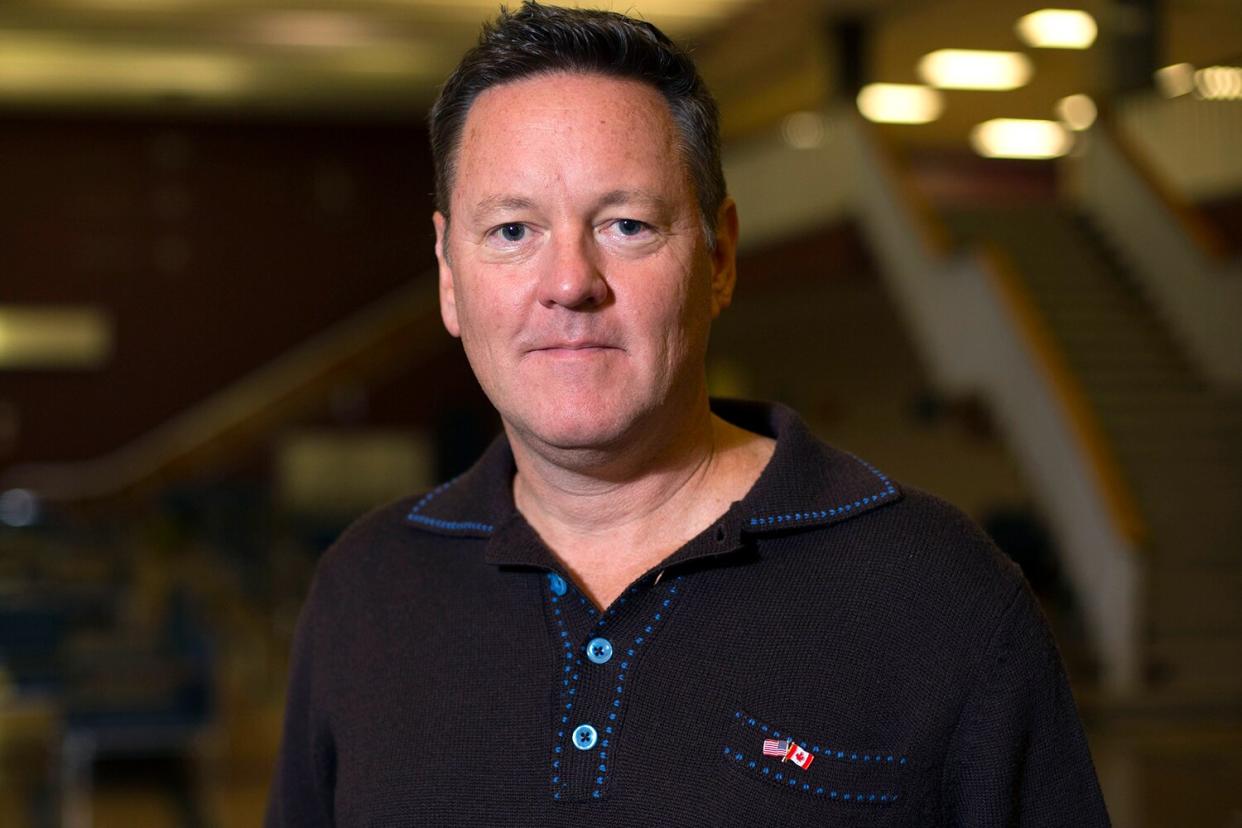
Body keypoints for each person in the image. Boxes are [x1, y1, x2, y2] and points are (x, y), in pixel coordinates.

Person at [266, 3, 1110, 825]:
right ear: (451, 276)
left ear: (719, 259)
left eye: (627, 225)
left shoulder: (939, 594)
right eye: (513, 230)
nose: (570, 282)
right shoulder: (364, 590)